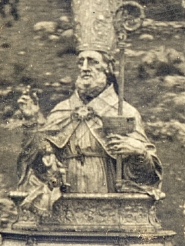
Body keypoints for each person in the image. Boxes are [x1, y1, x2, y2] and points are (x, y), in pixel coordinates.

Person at [42, 51, 162, 195]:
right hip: (66, 197)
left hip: (108, 197)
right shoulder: (61, 111)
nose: (85, 68)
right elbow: (38, 163)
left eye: (93, 61)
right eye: (81, 62)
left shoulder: (125, 112)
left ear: (108, 67)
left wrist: (139, 152)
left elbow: (147, 177)